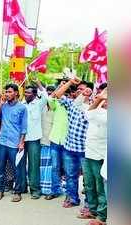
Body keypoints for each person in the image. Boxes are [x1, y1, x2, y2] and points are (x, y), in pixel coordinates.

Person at [51, 77, 89, 208]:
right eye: (78, 90)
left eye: (83, 90)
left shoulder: (92, 107)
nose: (80, 92)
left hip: (85, 150)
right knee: (70, 175)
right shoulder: (71, 104)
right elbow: (57, 95)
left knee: (88, 180)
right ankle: (73, 199)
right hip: (70, 147)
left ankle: (90, 205)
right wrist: (70, 82)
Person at [77, 88, 107, 224]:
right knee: (89, 185)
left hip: (102, 155)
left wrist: (102, 97)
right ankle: (92, 210)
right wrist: (100, 98)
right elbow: (88, 113)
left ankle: (101, 216)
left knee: (100, 187)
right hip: (88, 153)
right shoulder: (98, 109)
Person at [0, 83, 28, 202]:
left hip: (15, 143)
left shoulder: (22, 108)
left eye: (9, 92)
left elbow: (24, 127)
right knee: (1, 168)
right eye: (6, 92)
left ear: (16, 93)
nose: (7, 94)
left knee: (16, 169)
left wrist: (21, 142)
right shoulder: (4, 106)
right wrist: (1, 103)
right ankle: (0, 190)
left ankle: (17, 192)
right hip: (2, 141)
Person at [23, 79, 48, 199]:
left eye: (29, 93)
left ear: (34, 94)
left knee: (34, 165)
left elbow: (45, 95)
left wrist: (38, 83)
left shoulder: (39, 103)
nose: (26, 94)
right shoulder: (21, 104)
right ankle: (21, 187)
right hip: (21, 139)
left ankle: (35, 189)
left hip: (34, 139)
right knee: (20, 164)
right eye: (25, 92)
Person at [45, 83, 69, 201]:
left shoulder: (73, 106)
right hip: (55, 139)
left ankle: (70, 194)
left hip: (68, 142)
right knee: (55, 167)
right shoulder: (57, 105)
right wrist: (60, 87)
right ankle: (55, 190)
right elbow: (50, 98)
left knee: (68, 168)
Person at [39, 86, 56, 197]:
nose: (49, 96)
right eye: (48, 94)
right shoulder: (41, 108)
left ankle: (50, 190)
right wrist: (39, 85)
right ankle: (41, 188)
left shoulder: (57, 109)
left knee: (51, 168)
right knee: (42, 167)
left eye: (52, 94)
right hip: (41, 142)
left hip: (52, 143)